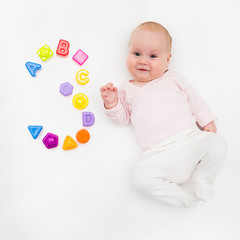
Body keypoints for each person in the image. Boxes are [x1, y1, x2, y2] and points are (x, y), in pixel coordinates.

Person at [100, 21, 228, 207]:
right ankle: (185, 199)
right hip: (159, 153)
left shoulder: (173, 79)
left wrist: (207, 120)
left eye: (153, 56)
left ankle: (203, 180)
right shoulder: (126, 90)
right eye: (136, 54)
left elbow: (194, 100)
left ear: (167, 60)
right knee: (139, 178)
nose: (143, 61)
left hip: (190, 139)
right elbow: (122, 119)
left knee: (218, 145)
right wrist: (111, 101)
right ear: (127, 53)